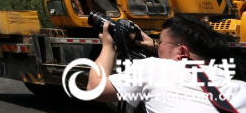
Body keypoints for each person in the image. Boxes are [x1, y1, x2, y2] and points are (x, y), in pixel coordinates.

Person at [87, 15, 246, 111]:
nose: (158, 45)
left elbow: (95, 88)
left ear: (182, 52)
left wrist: (109, 46)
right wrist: (158, 45)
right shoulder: (239, 87)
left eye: (162, 42)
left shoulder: (154, 68)